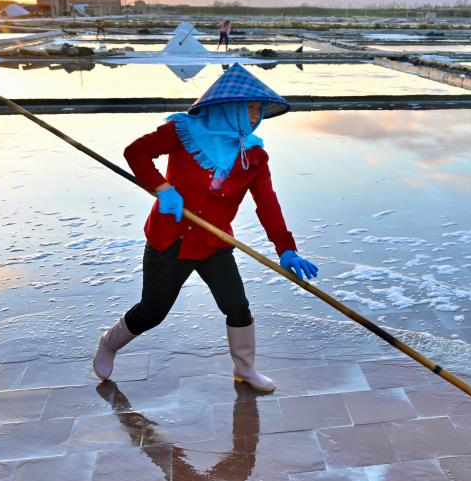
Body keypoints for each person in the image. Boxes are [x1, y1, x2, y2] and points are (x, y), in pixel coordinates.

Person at [92, 63, 319, 391]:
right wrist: (162, 189)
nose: (255, 116)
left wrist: (286, 248)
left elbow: (267, 203)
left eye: (259, 110)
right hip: (169, 238)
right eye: (250, 108)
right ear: (229, 106)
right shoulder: (184, 132)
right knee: (153, 311)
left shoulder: (253, 156)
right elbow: (136, 153)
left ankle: (245, 369)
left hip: (213, 242)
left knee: (237, 306)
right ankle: (109, 344)